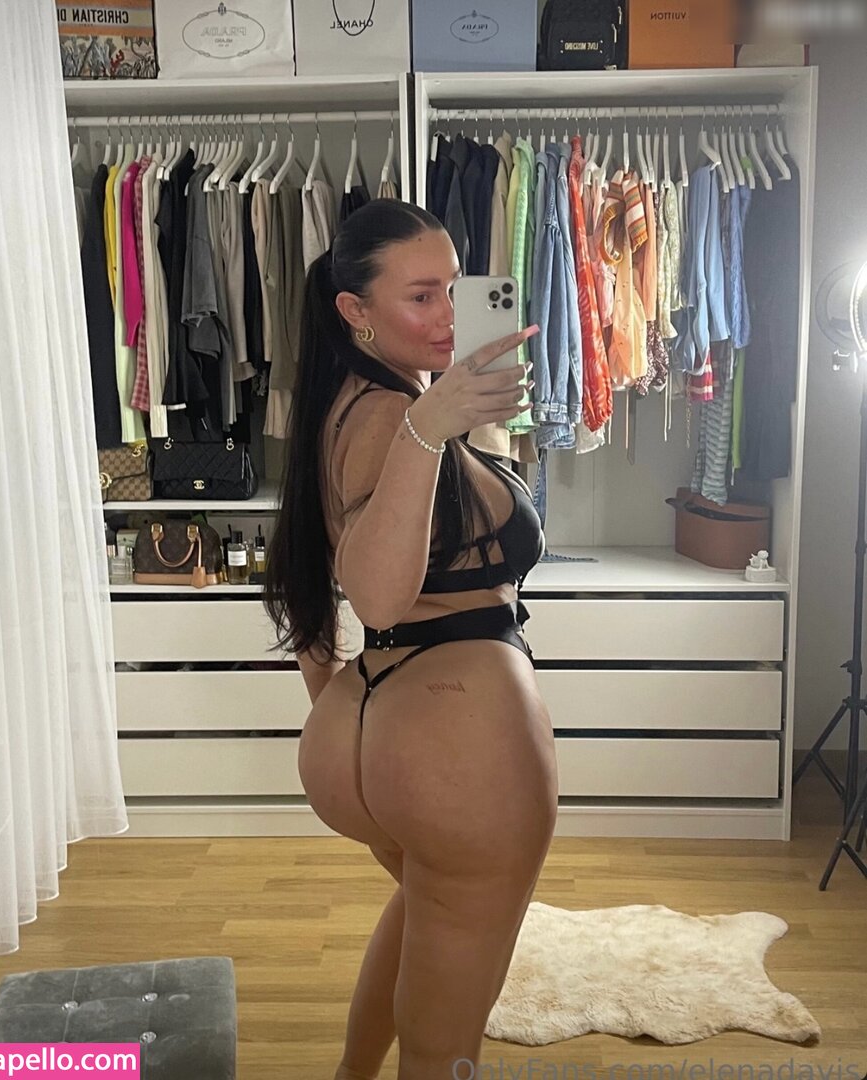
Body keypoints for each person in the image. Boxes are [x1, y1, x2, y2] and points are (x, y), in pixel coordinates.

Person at [264, 199, 559, 1080]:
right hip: (453, 748)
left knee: (425, 917)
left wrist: (343, 721)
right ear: (354, 310)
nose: (446, 315)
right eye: (419, 297)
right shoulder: (392, 419)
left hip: (372, 724)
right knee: (444, 1047)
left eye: (452, 290)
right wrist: (430, 428)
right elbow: (379, 593)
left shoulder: (356, 401)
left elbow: (321, 575)